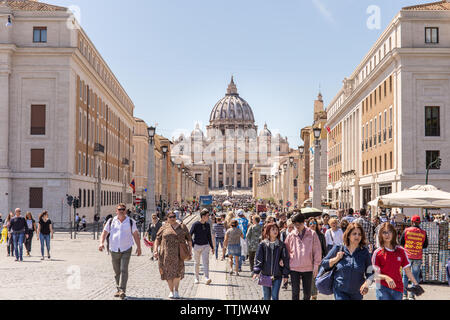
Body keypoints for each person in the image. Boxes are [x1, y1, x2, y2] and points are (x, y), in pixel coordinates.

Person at [99, 203, 142, 300]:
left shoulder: (131, 221)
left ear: (126, 211)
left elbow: (136, 235)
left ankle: (122, 289)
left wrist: (139, 247)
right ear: (116, 211)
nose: (121, 211)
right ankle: (118, 289)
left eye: (123, 209)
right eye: (119, 209)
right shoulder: (111, 221)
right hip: (114, 249)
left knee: (123, 269)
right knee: (116, 271)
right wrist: (101, 243)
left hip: (126, 248)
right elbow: (104, 233)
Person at [320, 222, 374, 300]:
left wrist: (366, 284)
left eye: (359, 234)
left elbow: (370, 273)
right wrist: (336, 259)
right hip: (340, 290)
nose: (357, 236)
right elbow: (323, 263)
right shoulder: (338, 248)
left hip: (357, 292)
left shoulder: (364, 252)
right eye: (354, 233)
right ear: (348, 235)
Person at [372, 222, 420, 300]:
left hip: (398, 289)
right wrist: (386, 278)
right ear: (381, 235)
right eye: (384, 232)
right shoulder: (377, 253)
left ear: (393, 233)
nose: (387, 235)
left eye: (389, 231)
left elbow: (407, 270)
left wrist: (415, 284)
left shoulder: (401, 251)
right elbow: (374, 275)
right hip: (382, 288)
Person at [154, 211, 191, 299]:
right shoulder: (164, 227)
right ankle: (171, 291)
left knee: (178, 272)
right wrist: (155, 250)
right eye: (170, 217)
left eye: (174, 216)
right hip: (166, 254)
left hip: (178, 254)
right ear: (167, 218)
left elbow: (189, 239)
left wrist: (190, 250)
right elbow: (157, 239)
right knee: (168, 273)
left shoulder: (182, 227)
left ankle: (176, 290)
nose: (172, 218)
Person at [284, 213, 321, 300]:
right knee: (295, 293)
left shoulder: (312, 234)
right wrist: (286, 261)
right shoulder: (291, 235)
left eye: (299, 224)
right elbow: (286, 250)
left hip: (308, 267)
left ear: (303, 222)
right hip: (294, 267)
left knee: (307, 293)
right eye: (295, 225)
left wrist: (316, 266)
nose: (297, 226)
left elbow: (317, 251)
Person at [253, 223, 290, 300]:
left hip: (277, 275)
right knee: (266, 297)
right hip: (265, 275)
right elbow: (259, 258)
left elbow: (286, 259)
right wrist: (256, 271)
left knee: (275, 296)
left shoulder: (281, 245)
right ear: (268, 231)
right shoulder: (263, 244)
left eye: (276, 229)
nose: (275, 231)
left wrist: (285, 274)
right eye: (273, 229)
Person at [400, 215, 428, 300]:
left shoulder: (406, 231)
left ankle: (404, 295)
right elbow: (425, 245)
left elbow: (401, 242)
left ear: (412, 222)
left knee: (405, 276)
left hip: (407, 257)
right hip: (417, 257)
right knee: (415, 277)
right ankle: (412, 295)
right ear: (419, 222)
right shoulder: (423, 232)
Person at [190, 209, 214, 285]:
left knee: (206, 262)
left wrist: (212, 246)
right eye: (207, 216)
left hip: (205, 246)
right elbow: (189, 234)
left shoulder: (207, 225)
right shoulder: (195, 224)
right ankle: (196, 278)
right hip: (197, 245)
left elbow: (209, 236)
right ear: (203, 216)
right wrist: (193, 244)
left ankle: (206, 277)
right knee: (197, 263)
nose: (208, 217)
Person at [307, 217, 327, 300]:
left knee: (315, 278)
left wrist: (325, 260)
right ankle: (308, 294)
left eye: (314, 223)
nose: (312, 225)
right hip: (306, 260)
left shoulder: (321, 236)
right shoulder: (305, 235)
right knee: (308, 279)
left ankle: (314, 296)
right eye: (310, 223)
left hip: (317, 261)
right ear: (308, 225)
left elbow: (324, 249)